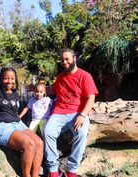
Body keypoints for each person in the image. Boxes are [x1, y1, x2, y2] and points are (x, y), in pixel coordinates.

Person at [44, 48, 98, 177]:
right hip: (59, 112)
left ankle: (71, 170)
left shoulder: (85, 76)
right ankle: (53, 170)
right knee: (48, 132)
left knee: (81, 133)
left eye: (67, 59)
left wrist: (83, 115)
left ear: (74, 59)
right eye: (62, 60)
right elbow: (53, 89)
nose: (64, 62)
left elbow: (91, 97)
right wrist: (38, 88)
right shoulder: (61, 77)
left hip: (77, 112)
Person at [0, 67, 43, 177]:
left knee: (39, 143)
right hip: (0, 126)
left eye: (12, 78)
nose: (9, 81)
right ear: (1, 78)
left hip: (16, 123)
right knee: (29, 144)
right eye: (6, 78)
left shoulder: (15, 92)